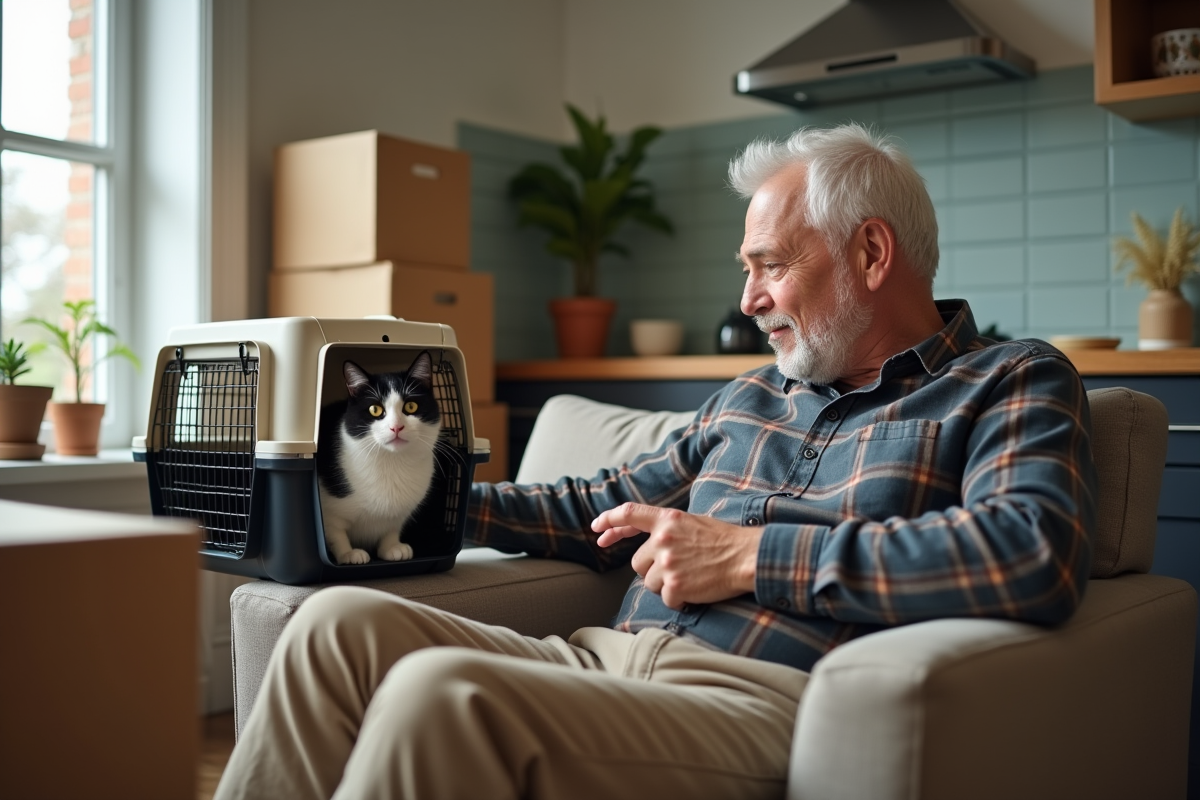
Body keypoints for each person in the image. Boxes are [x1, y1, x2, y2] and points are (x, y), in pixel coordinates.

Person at [214, 123, 1097, 800]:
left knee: (444, 693)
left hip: (758, 699)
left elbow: (1031, 550)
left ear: (870, 253)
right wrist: (407, 496)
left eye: (769, 265)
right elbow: (598, 505)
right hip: (600, 661)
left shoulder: (1008, 380)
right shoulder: (750, 397)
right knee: (332, 627)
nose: (748, 300)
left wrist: (748, 557)